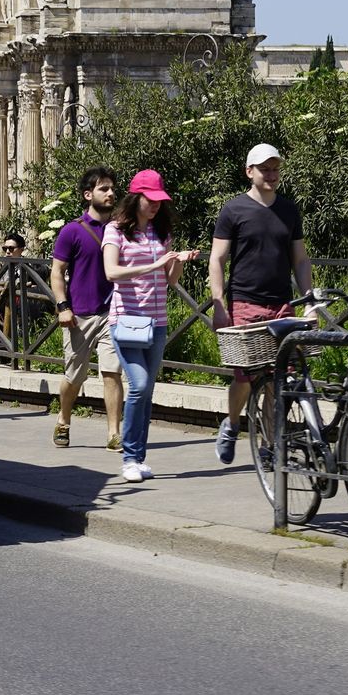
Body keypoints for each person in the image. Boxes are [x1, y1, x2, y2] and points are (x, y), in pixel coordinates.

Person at [209, 142, 312, 464]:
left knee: (277, 378)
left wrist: (308, 300)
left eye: (275, 168)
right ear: (249, 172)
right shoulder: (234, 210)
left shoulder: (288, 209)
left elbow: (300, 259)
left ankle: (269, 444)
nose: (271, 174)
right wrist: (218, 303)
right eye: (264, 169)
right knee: (244, 376)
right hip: (245, 302)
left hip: (281, 304)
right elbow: (218, 259)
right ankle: (233, 422)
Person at [101, 170, 198, 483]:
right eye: (151, 199)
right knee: (139, 385)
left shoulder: (159, 233)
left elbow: (169, 280)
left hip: (156, 322)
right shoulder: (115, 230)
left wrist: (179, 260)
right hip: (126, 321)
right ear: (136, 198)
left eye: (160, 200)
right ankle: (129, 457)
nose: (156, 205)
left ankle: (139, 458)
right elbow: (111, 272)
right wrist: (155, 264)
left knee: (147, 391)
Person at [49, 166, 122, 450]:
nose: (111, 193)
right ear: (88, 194)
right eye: (104, 189)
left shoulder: (118, 229)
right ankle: (64, 418)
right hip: (78, 316)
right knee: (74, 376)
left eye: (112, 188)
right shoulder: (72, 231)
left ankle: (113, 434)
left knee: (112, 372)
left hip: (110, 314)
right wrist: (62, 306)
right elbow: (57, 272)